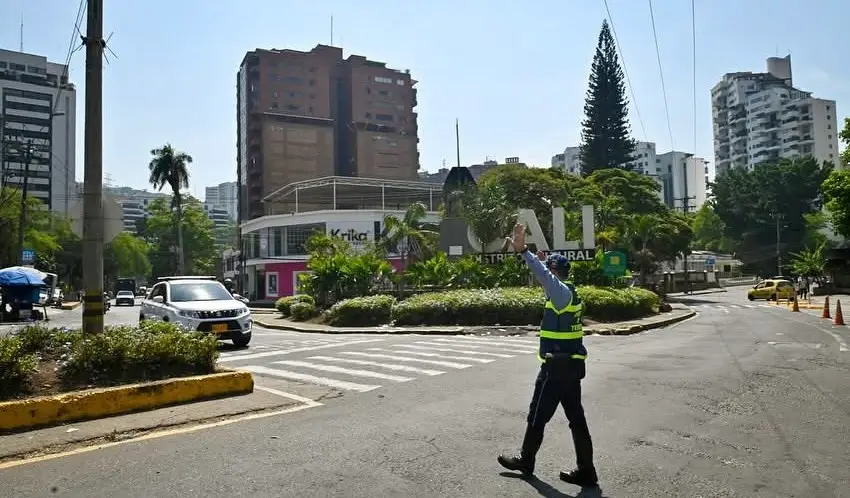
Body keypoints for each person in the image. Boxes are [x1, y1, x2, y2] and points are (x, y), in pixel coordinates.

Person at [497, 223, 598, 488]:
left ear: (554, 273)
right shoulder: (568, 292)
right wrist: (542, 261)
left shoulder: (560, 293)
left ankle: (526, 460)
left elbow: (543, 276)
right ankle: (587, 470)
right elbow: (547, 279)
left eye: (548, 271)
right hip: (571, 366)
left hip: (556, 369)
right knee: (576, 420)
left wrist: (524, 251)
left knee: (537, 415)